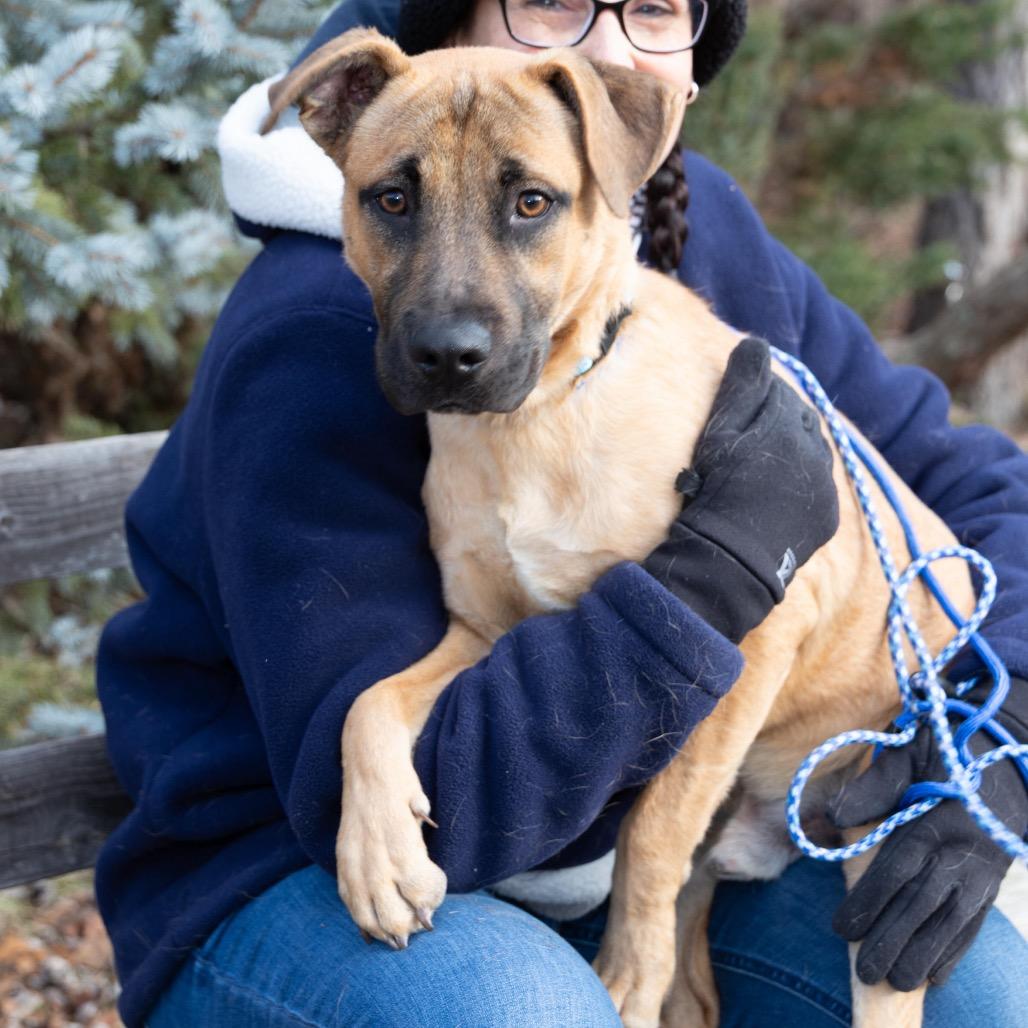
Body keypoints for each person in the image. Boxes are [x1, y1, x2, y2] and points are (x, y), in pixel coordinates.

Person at [94, 0, 1028, 1025]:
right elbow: (449, 819)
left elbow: (962, 480)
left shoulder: (697, 224)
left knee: (975, 992)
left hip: (640, 840)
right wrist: (713, 575)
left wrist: (1002, 727)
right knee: (529, 1013)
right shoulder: (309, 334)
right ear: (452, 19)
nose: (605, 45)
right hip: (293, 870)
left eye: (654, 10)